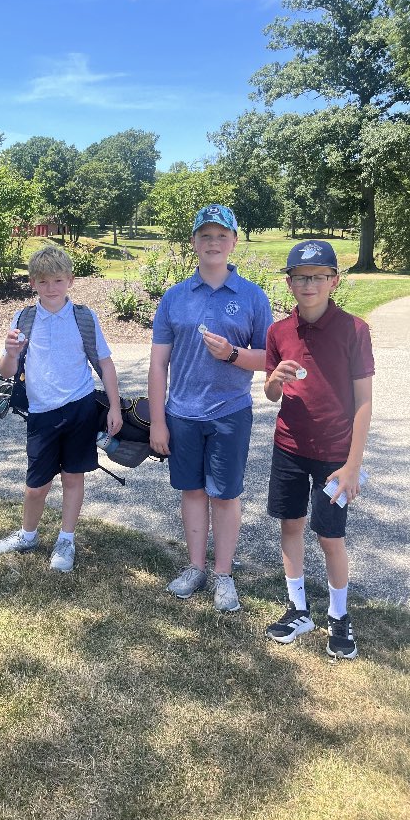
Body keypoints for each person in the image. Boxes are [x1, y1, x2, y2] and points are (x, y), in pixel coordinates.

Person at [148, 203, 273, 611]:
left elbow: (270, 359)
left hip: (230, 412)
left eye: (222, 235)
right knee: (192, 492)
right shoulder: (174, 298)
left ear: (234, 242)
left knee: (225, 495)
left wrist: (234, 354)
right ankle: (195, 567)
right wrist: (157, 421)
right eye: (206, 235)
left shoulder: (253, 297)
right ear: (194, 243)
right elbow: (158, 362)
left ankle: (223, 575)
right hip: (181, 413)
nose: (214, 242)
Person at [264, 239, 374, 659]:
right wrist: (275, 377)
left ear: (334, 281)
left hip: (335, 455)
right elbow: (272, 395)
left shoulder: (354, 330)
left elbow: (364, 401)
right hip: (289, 446)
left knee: (330, 536)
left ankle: (339, 616)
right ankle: (298, 608)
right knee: (290, 525)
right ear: (289, 283)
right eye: (299, 277)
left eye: (318, 277)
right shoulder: (278, 331)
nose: (308, 284)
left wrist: (352, 465)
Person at [0, 245, 123, 572]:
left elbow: (104, 363)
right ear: (33, 282)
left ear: (70, 281)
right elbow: (7, 371)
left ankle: (66, 539)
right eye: (44, 281)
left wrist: (115, 407)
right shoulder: (24, 318)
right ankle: (28, 534)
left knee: (73, 477)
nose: (52, 288)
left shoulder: (84, 317)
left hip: (80, 409)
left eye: (58, 280)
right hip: (42, 413)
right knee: (36, 485)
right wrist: (8, 352)